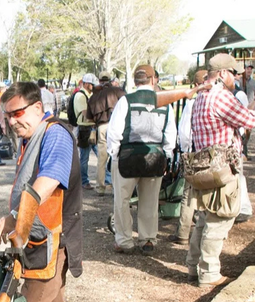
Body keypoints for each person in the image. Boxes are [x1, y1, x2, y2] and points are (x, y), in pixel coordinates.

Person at [0, 81, 82, 302]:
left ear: (38, 107)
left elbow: (48, 181)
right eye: (8, 116)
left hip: (52, 240)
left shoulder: (54, 133)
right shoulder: (33, 137)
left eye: (18, 113)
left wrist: (15, 217)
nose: (13, 121)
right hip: (39, 239)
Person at [188, 54, 255, 287]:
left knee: (204, 218)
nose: (236, 79)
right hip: (223, 167)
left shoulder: (201, 96)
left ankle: (192, 265)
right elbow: (248, 121)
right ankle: (209, 272)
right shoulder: (221, 96)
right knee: (221, 217)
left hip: (204, 164)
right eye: (234, 74)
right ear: (223, 73)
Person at [106, 64, 175, 255]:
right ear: (154, 80)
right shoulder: (164, 103)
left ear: (136, 81)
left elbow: (114, 132)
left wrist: (115, 154)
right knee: (150, 201)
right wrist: (167, 155)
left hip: (127, 157)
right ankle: (148, 239)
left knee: (122, 201)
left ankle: (124, 240)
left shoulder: (126, 101)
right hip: (155, 157)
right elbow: (170, 134)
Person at [171, 70, 213, 244]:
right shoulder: (212, 100)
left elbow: (185, 131)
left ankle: (183, 232)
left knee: (189, 195)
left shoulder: (193, 102)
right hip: (211, 153)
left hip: (194, 152)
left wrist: (185, 152)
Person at [87, 73, 122, 195]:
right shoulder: (118, 92)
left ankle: (100, 187)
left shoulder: (94, 96)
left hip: (101, 127)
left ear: (99, 80)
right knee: (116, 157)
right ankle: (116, 187)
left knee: (101, 159)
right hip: (117, 126)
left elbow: (89, 118)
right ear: (110, 80)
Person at [73, 73, 97, 190]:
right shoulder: (81, 96)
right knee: (84, 158)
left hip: (90, 127)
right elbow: (85, 114)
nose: (93, 86)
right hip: (84, 128)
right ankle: (84, 181)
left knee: (100, 155)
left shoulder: (88, 94)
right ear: (87, 84)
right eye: (92, 84)